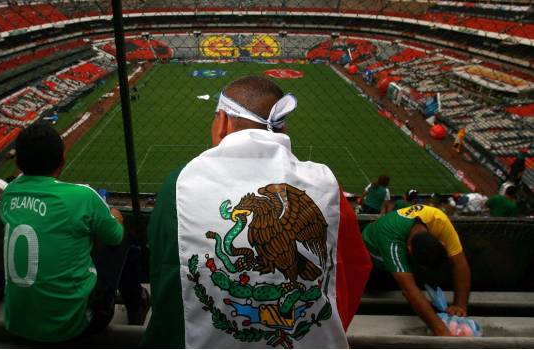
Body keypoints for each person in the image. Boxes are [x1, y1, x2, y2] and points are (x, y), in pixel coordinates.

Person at [142, 76, 372, 348]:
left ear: (224, 122)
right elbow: (353, 271)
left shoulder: (180, 184)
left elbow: (165, 277)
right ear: (282, 128)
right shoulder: (327, 186)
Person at [0, 124, 126, 343]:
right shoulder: (82, 196)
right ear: (62, 160)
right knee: (121, 237)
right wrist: (116, 215)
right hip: (71, 327)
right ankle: (136, 303)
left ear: (18, 162)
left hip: (16, 322)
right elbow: (115, 236)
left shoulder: (9, 194)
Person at [362, 204, 471, 336]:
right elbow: (409, 290)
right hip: (373, 262)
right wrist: (442, 331)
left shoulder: (439, 220)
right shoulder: (391, 239)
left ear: (441, 242)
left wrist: (460, 306)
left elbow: (460, 263)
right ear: (408, 249)